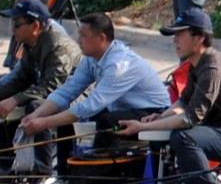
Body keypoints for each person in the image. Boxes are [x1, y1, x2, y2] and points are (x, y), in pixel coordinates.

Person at [120, 5, 221, 184]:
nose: (175, 40)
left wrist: (142, 127)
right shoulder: (198, 63)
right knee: (162, 132)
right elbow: (183, 102)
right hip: (216, 129)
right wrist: (159, 118)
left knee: (183, 136)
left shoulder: (212, 67)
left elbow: (189, 118)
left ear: (199, 37)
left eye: (180, 35)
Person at [0, 0, 81, 182]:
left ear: (35, 26)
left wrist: (15, 100)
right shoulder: (29, 45)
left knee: (35, 107)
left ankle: (42, 172)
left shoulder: (59, 46)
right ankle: (7, 165)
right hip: (49, 93)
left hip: (74, 97)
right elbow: (20, 80)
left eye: (17, 25)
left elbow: (53, 86)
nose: (12, 29)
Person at [18, 11, 171, 148]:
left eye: (83, 36)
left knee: (105, 122)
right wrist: (36, 115)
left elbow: (90, 106)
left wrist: (44, 123)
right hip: (122, 109)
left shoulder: (119, 65)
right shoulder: (91, 59)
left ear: (101, 38)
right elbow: (67, 92)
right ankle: (66, 173)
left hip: (152, 113)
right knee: (66, 116)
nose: (78, 41)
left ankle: (100, 172)